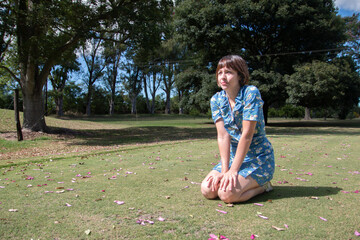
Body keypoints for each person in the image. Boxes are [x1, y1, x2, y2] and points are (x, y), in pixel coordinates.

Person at [201, 55, 275, 203]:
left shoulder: (250, 93)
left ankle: (264, 186)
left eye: (228, 72)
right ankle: (232, 176)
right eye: (220, 72)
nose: (223, 77)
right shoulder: (216, 100)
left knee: (227, 195)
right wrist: (224, 171)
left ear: (240, 75)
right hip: (234, 158)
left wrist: (233, 171)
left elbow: (247, 135)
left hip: (258, 157)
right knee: (207, 190)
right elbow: (223, 136)